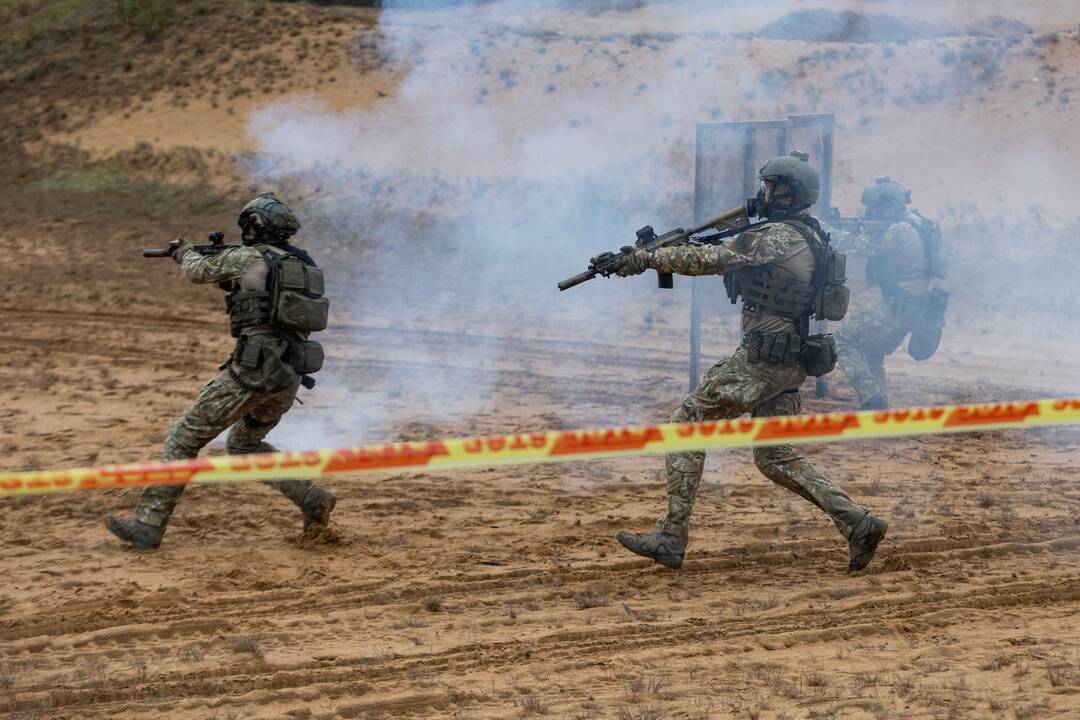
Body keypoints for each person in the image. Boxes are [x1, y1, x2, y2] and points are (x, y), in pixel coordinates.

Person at [609, 152, 887, 573]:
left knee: (685, 424)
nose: (763, 193)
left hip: (764, 359)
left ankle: (671, 537)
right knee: (775, 457)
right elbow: (722, 249)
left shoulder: (779, 237)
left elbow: (710, 260)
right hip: (793, 359)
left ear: (790, 193)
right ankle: (858, 523)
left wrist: (647, 258)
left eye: (771, 186)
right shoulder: (809, 233)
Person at [106, 193, 336, 549]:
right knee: (245, 445)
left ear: (255, 226)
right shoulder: (303, 265)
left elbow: (198, 272)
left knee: (184, 436)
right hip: (289, 373)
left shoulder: (248, 256)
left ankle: (148, 526)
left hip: (254, 369)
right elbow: (269, 302)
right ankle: (312, 498)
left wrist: (183, 251)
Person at [833, 177, 949, 410]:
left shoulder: (900, 232)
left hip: (898, 308)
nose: (868, 212)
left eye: (873, 208)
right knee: (872, 350)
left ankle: (872, 398)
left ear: (886, 207)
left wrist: (824, 231)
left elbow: (858, 246)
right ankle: (878, 408)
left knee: (843, 339)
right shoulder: (919, 222)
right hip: (915, 307)